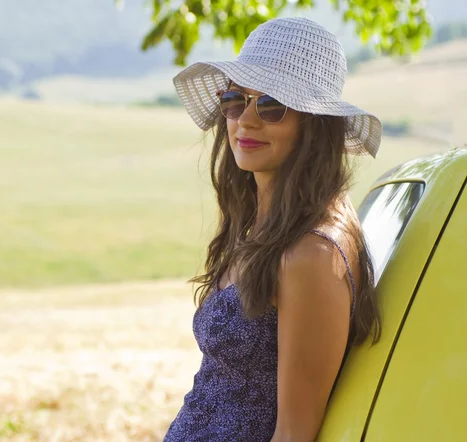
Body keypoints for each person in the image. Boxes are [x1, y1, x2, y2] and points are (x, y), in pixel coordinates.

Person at [163, 17, 382, 442]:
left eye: (271, 105)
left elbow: (295, 433)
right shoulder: (258, 228)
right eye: (234, 99)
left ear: (313, 124)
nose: (245, 120)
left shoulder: (312, 255)